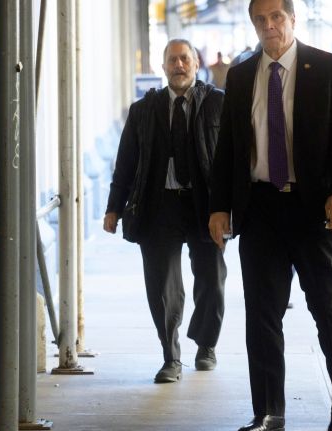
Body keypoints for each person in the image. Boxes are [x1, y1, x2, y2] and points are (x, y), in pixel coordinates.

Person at [208, 0, 332, 429]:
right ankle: (269, 412)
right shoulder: (240, 76)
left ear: (293, 19)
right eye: (260, 19)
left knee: (327, 307)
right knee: (261, 313)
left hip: (316, 210)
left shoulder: (328, 67)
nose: (269, 26)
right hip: (260, 210)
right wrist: (220, 206)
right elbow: (229, 149)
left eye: (277, 17)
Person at [104, 39, 227, 384]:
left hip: (206, 206)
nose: (179, 65)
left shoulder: (218, 103)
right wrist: (114, 207)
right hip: (160, 206)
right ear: (163, 67)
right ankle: (170, 357)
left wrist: (233, 207)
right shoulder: (143, 111)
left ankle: (206, 343)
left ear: (196, 62)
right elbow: (126, 163)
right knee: (163, 284)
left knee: (212, 279)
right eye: (172, 60)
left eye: (184, 59)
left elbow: (234, 159)